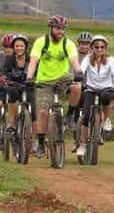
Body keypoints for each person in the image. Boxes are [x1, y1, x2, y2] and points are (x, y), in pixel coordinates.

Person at [26, 14, 83, 159]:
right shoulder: (41, 42)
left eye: (63, 29)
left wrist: (78, 72)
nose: (60, 31)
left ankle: (69, 116)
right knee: (43, 111)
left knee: (77, 88)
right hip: (44, 80)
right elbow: (33, 61)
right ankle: (40, 143)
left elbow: (74, 60)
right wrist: (29, 77)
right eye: (58, 28)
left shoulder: (67, 44)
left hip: (62, 78)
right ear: (51, 28)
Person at [75, 35, 114, 158]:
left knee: (106, 98)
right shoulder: (87, 59)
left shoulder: (110, 59)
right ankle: (83, 144)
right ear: (92, 48)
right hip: (90, 89)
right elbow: (82, 70)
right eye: (96, 47)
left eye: (102, 47)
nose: (99, 49)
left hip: (106, 88)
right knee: (86, 116)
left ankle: (105, 119)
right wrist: (78, 79)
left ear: (105, 48)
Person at [0, 34, 34, 136]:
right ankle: (11, 123)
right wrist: (4, 79)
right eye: (17, 46)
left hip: (28, 86)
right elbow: (5, 72)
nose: (19, 48)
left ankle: (34, 136)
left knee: (34, 107)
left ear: (25, 47)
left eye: (21, 46)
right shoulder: (9, 59)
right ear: (13, 47)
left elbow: (38, 72)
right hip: (14, 85)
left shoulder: (31, 60)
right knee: (12, 94)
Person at [67, 31, 94, 132]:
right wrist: (72, 79)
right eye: (82, 44)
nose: (84, 46)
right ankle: (70, 115)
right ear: (79, 44)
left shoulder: (93, 56)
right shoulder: (74, 55)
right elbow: (69, 70)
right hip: (75, 83)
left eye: (87, 44)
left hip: (89, 84)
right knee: (79, 97)